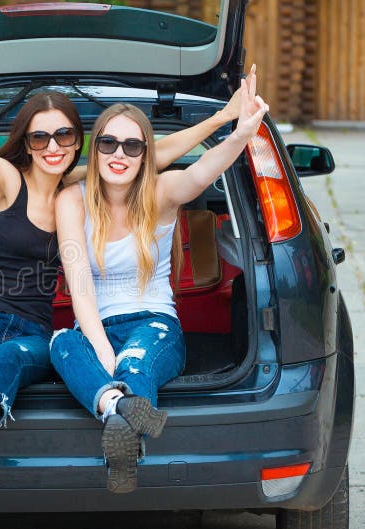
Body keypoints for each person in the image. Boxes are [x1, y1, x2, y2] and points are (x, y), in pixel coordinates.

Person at [0, 45, 247, 473]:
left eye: (64, 136)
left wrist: (220, 120)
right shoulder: (4, 179)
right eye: (40, 137)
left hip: (31, 325)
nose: (52, 146)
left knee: (6, 361)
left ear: (77, 143)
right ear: (26, 143)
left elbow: (148, 155)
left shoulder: (76, 187)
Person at [50, 67, 267, 493]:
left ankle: (118, 416)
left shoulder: (161, 193)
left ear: (146, 155)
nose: (119, 154)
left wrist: (238, 134)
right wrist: (100, 348)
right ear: (94, 150)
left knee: (134, 363)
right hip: (94, 325)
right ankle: (124, 414)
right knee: (60, 343)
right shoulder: (70, 200)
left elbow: (202, 170)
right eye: (109, 142)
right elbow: (80, 288)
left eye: (133, 146)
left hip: (155, 324)